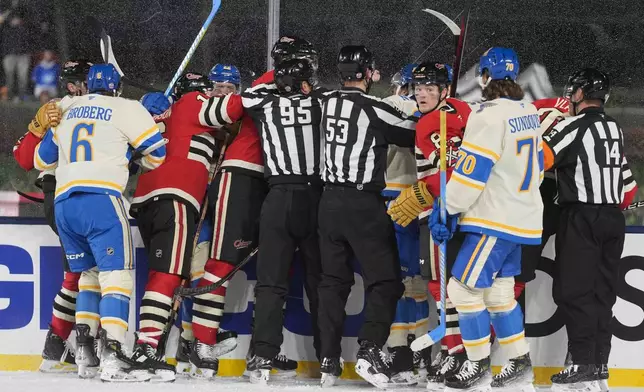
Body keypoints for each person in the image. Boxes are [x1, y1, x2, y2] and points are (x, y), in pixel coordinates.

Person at [186, 36, 317, 380]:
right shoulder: (265, 83)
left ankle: (264, 351)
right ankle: (202, 345)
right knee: (222, 261)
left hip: (275, 184)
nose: (311, 70)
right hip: (244, 175)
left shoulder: (298, 90)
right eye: (305, 61)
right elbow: (214, 114)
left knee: (274, 272)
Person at [33, 63, 166, 382]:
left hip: (65, 203)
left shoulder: (67, 106)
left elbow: (41, 160)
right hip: (102, 199)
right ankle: (114, 354)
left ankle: (84, 352)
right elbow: (156, 155)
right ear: (117, 87)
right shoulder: (127, 107)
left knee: (89, 275)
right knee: (117, 277)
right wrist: (131, 154)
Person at [429, 47, 542, 392]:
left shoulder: (487, 115)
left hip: (494, 220)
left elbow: (471, 174)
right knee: (498, 296)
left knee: (461, 290)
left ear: (485, 77)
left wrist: (448, 207)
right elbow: (535, 169)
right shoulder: (528, 111)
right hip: (520, 218)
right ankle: (520, 364)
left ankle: (476, 365)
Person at [316, 45, 417, 388]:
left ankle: (328, 359)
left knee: (333, 282)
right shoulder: (374, 107)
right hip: (362, 204)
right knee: (386, 281)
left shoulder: (325, 101)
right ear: (367, 73)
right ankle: (370, 349)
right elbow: (411, 134)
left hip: (327, 203)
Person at [131, 72, 236, 381]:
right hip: (177, 198)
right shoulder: (193, 103)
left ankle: (173, 344)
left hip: (147, 199)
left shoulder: (162, 113)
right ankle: (148, 347)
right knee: (170, 276)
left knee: (169, 273)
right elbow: (231, 109)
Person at [542, 68, 630, 392]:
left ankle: (579, 363)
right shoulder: (614, 127)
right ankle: (598, 364)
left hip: (581, 217)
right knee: (602, 294)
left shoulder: (573, 125)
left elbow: (542, 158)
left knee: (574, 292)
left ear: (579, 94)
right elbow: (624, 182)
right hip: (613, 219)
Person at [388, 61, 472, 391]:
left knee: (443, 288)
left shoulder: (428, 125)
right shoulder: (466, 110)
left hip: (442, 214)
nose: (422, 94)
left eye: (429, 89)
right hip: (466, 213)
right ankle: (461, 352)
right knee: (454, 288)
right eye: (419, 88)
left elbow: (452, 171)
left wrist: (426, 191)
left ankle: (456, 353)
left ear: (444, 91)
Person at [13, 59, 93, 373]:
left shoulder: (86, 107)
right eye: (71, 82)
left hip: (71, 196)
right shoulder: (63, 108)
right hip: (66, 193)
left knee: (78, 273)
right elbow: (22, 159)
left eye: (78, 81)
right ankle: (76, 344)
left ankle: (58, 345)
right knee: (86, 274)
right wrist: (37, 126)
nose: (74, 87)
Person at [381, 62, 429, 381]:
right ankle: (422, 353)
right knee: (419, 283)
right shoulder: (433, 111)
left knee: (395, 283)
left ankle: (398, 353)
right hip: (423, 198)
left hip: (393, 198)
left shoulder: (389, 104)